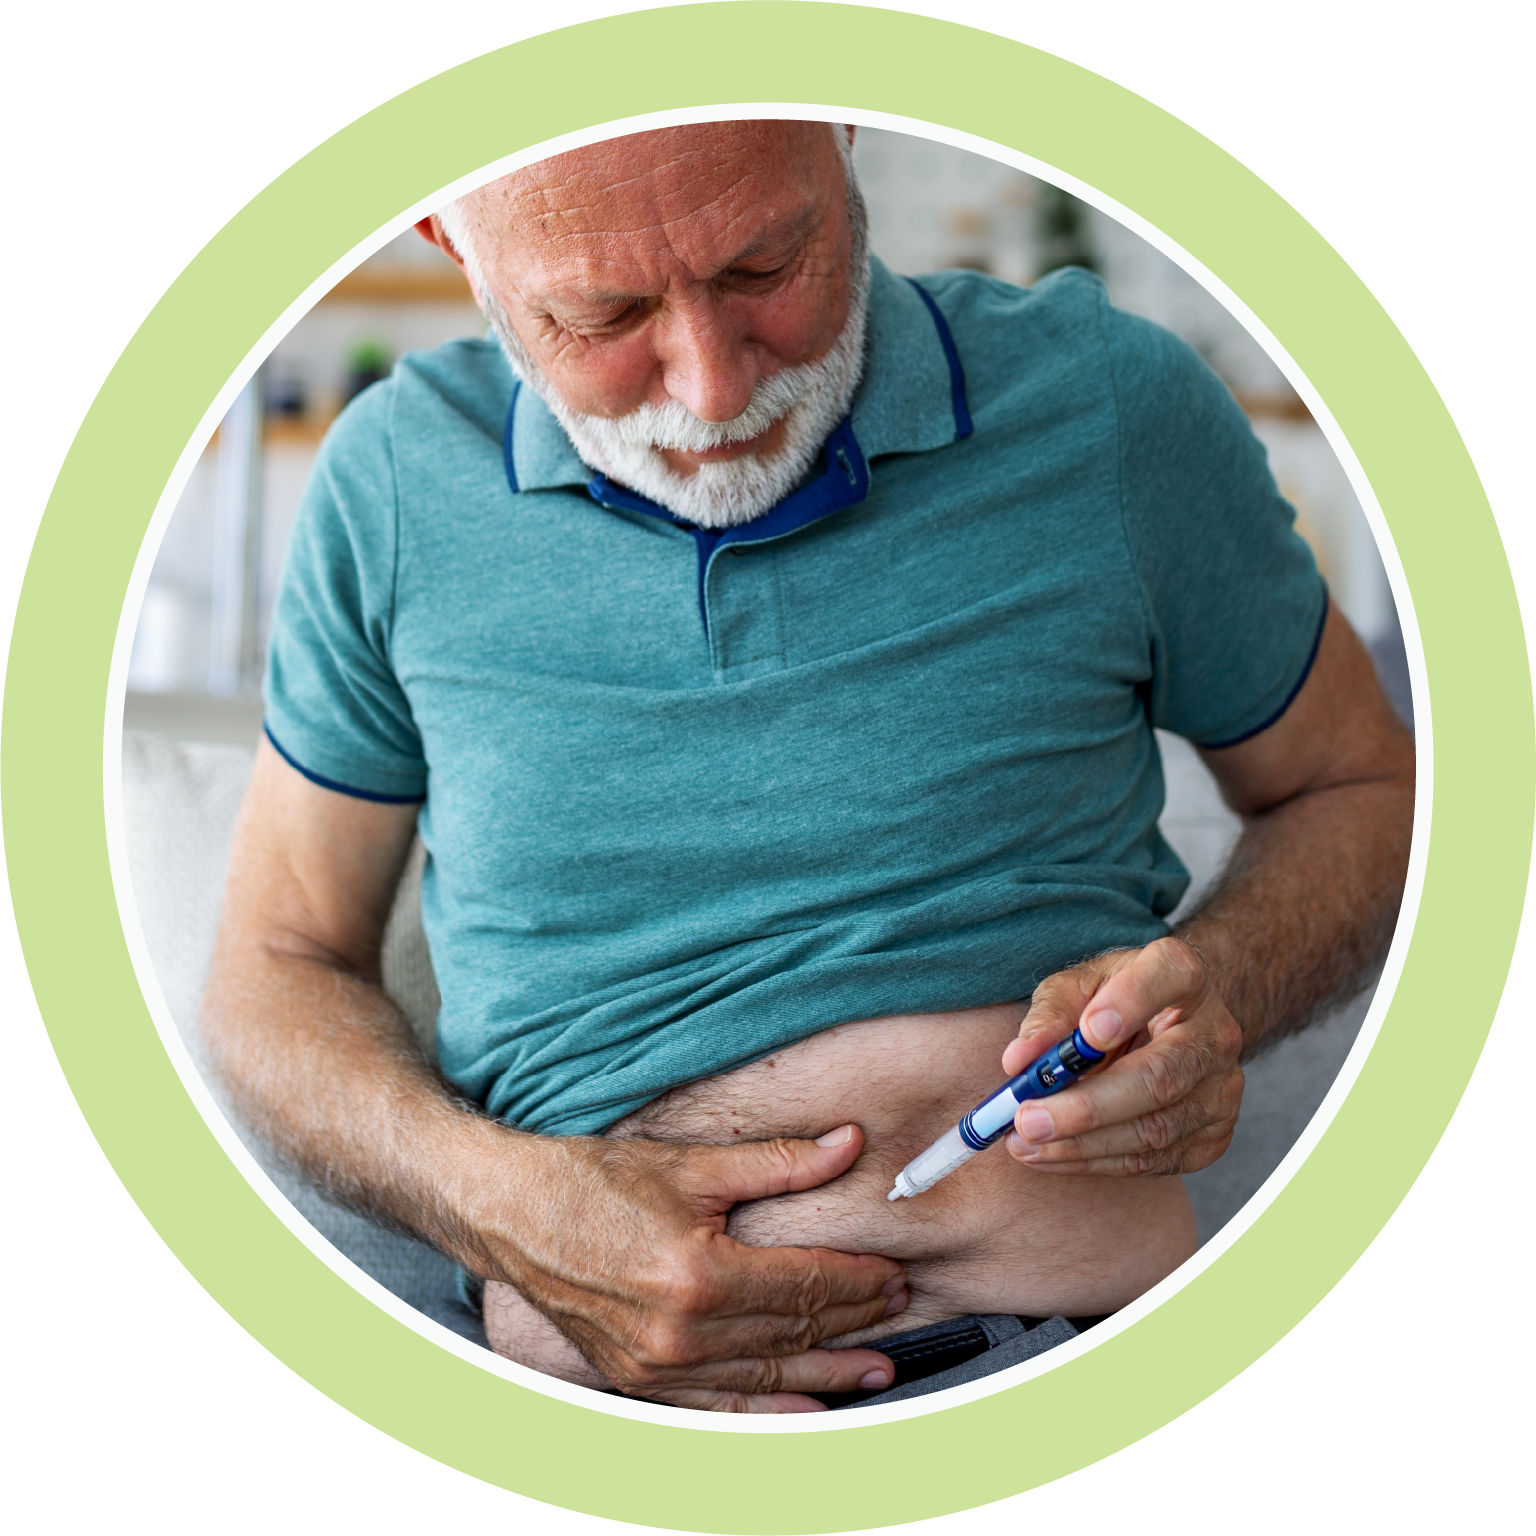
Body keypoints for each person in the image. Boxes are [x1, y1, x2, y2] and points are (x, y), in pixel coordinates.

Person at [203, 120, 1414, 1414]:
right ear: (453, 241)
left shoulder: (1114, 409)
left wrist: (1225, 986)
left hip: (1085, 1372)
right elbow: (270, 973)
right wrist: (503, 1210)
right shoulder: (391, 482)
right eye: (603, 313)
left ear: (842, 138)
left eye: (766, 266)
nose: (712, 386)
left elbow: (1364, 789)